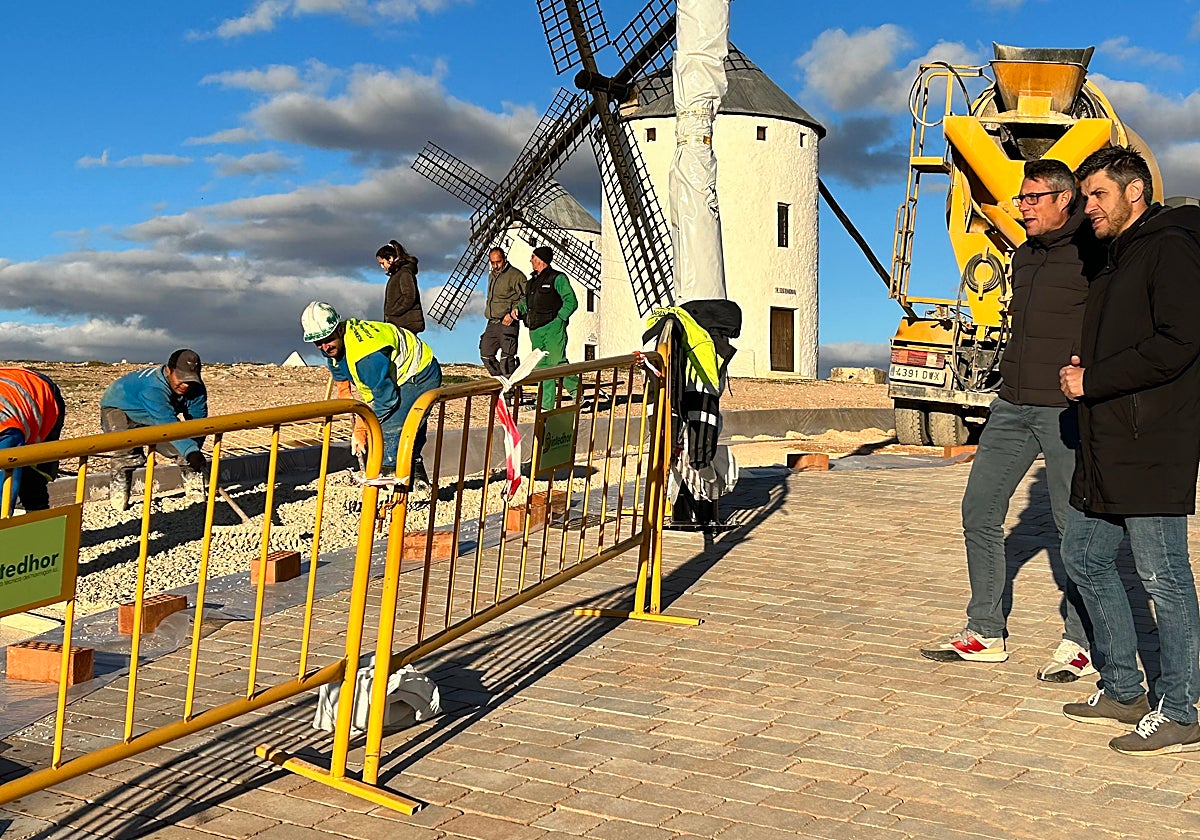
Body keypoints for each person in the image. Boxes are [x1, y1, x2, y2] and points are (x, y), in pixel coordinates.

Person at [921, 159, 1102, 681]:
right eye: (1021, 198)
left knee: (1072, 527)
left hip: (1066, 409)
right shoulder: (1022, 257)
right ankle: (985, 630)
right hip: (1012, 404)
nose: (1021, 206)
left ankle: (1081, 641)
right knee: (978, 509)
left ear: (1063, 199)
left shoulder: (1093, 252)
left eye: (1031, 198)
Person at [1057, 146, 1200, 755]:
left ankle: (1183, 707)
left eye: (1097, 195)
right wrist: (1090, 373)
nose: (1087, 206)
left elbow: (1180, 340)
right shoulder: (1121, 254)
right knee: (1084, 555)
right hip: (1109, 436)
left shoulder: (1169, 247)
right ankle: (1122, 688)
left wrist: (1095, 380)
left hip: (1152, 440)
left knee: (1162, 575)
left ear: (1135, 191)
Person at [301, 302, 441, 488]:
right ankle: (415, 483)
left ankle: (397, 490)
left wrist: (361, 427)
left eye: (328, 340)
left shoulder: (366, 356)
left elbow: (386, 400)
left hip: (419, 373)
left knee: (390, 431)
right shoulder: (336, 345)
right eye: (318, 342)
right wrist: (347, 399)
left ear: (339, 329)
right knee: (395, 431)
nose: (324, 347)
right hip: (395, 377)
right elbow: (339, 370)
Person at [100, 349, 209, 512]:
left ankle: (197, 499)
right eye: (181, 379)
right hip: (120, 408)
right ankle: (119, 502)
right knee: (127, 453)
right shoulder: (153, 388)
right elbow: (166, 422)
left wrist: (194, 451)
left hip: (154, 414)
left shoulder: (196, 388)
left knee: (184, 450)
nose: (185, 385)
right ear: (169, 370)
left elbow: (198, 422)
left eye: (191, 381)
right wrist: (190, 450)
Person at [517, 246, 578, 410]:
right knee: (541, 365)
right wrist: (518, 309)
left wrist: (560, 318)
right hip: (535, 328)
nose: (530, 260)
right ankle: (545, 404)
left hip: (553, 326)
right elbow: (526, 303)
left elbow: (571, 301)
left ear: (540, 259)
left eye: (533, 257)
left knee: (556, 362)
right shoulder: (531, 283)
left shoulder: (557, 278)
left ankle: (577, 392)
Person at [0, 368, 66, 513]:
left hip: (42, 393)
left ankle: (37, 518)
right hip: (13, 384)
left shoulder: (5, 431)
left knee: (33, 470)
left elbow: (6, 485)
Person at [479, 247, 526, 377]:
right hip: (492, 322)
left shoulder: (516, 276)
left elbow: (527, 296)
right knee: (485, 353)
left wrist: (513, 313)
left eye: (498, 262)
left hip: (508, 322)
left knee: (507, 360)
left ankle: (511, 391)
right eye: (492, 262)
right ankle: (502, 383)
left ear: (505, 259)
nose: (495, 265)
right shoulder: (492, 276)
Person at [377, 239, 425, 335]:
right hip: (401, 323)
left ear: (390, 259)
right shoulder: (398, 274)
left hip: (405, 324)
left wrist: (392, 311)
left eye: (382, 263)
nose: (382, 267)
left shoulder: (404, 273)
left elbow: (409, 296)